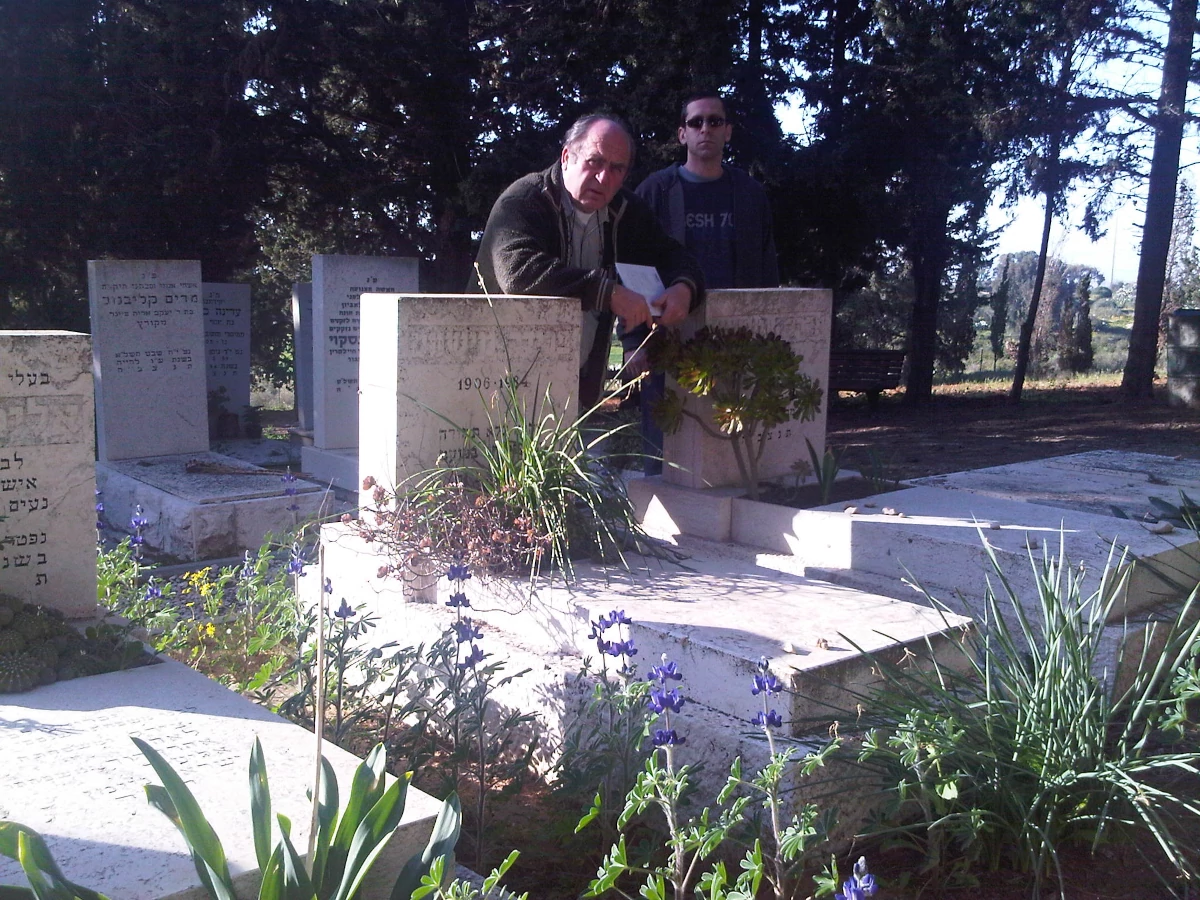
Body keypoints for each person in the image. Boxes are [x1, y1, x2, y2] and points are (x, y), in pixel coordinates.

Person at [474, 114, 704, 409]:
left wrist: (683, 288)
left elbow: (673, 255)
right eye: (595, 162)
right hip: (499, 384)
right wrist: (608, 293)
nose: (604, 178)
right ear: (566, 157)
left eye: (617, 168)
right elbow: (517, 271)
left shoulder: (627, 211)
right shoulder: (523, 199)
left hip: (576, 389)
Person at [626, 92, 780, 474]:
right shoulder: (655, 192)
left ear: (728, 131)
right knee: (664, 455)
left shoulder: (749, 194)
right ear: (682, 134)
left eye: (714, 121)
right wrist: (632, 341)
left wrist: (771, 332)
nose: (705, 129)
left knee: (733, 453)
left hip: (736, 341)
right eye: (696, 122)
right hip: (668, 340)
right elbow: (629, 267)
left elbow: (767, 269)